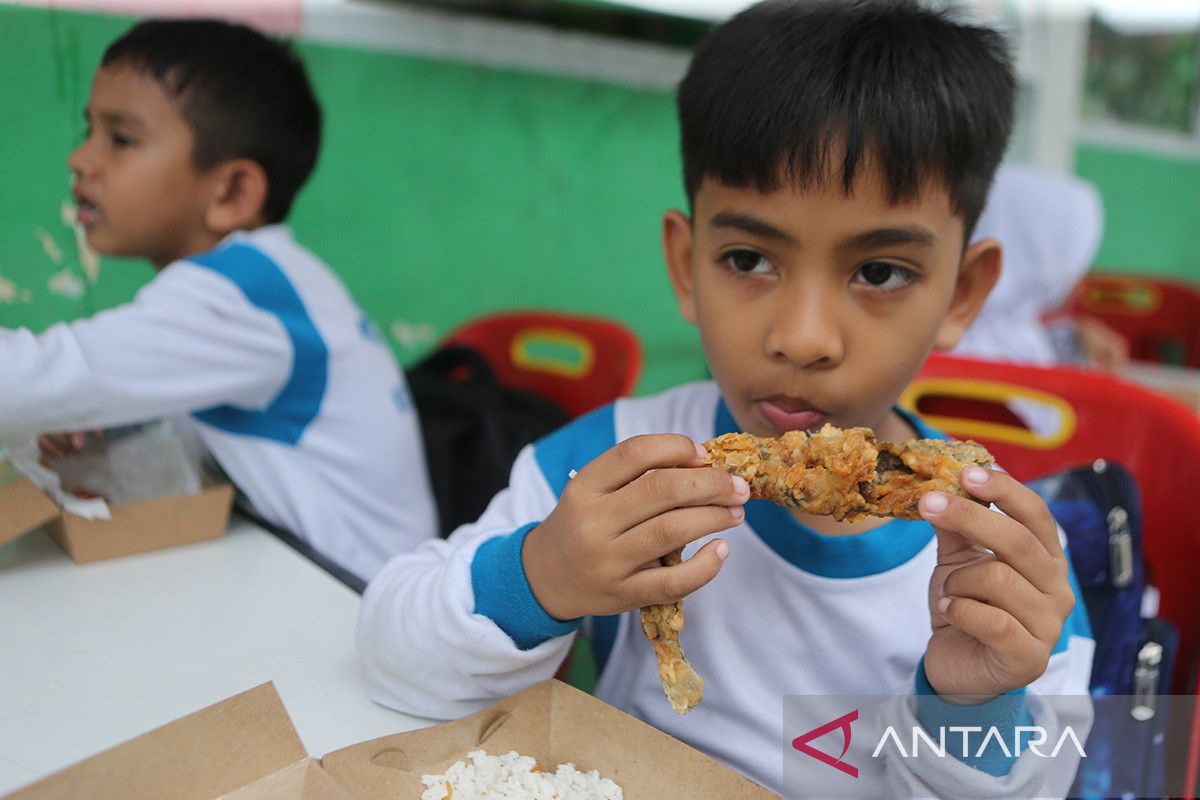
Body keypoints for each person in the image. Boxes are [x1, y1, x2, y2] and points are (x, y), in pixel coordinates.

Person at [356, 2, 1093, 797]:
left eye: (879, 272)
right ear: (685, 263)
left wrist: (973, 704)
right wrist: (543, 576)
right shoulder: (611, 463)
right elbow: (390, 653)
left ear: (964, 292)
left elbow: (1053, 779)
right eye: (748, 258)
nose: (803, 337)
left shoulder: (1006, 565)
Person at [0, 19, 436, 584]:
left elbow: (27, 381)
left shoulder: (238, 296)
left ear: (231, 193)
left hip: (351, 598)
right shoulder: (263, 278)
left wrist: (61, 397)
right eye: (89, 130)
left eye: (121, 139)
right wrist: (92, 415)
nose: (81, 159)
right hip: (305, 574)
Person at [952, 164, 1129, 370]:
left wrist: (1075, 337)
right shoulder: (977, 349)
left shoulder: (965, 327)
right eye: (1073, 265)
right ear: (1038, 254)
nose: (1080, 285)